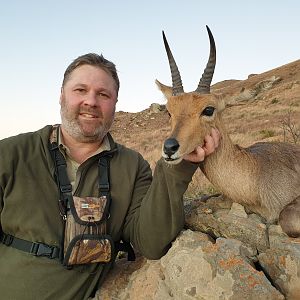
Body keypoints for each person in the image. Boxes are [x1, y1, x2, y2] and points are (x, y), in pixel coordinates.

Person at [0, 53, 220, 299]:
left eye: (103, 94)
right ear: (62, 95)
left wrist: (180, 166)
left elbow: (151, 242)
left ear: (115, 103)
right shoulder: (10, 154)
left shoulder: (132, 166)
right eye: (80, 90)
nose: (91, 101)